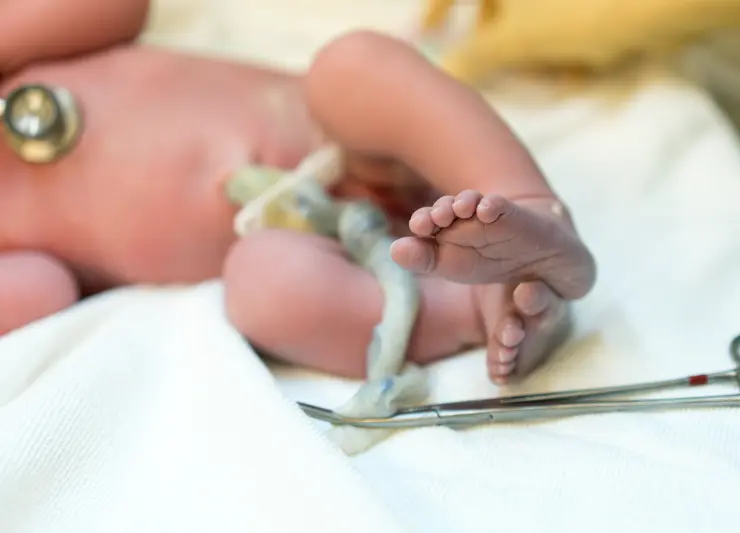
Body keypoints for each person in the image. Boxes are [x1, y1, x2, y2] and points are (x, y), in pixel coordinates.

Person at [0, 0, 596, 385]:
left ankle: (526, 204)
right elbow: (42, 291)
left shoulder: (19, 59)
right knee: (264, 290)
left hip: (353, 135)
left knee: (350, 66)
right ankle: (484, 308)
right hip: (337, 247)